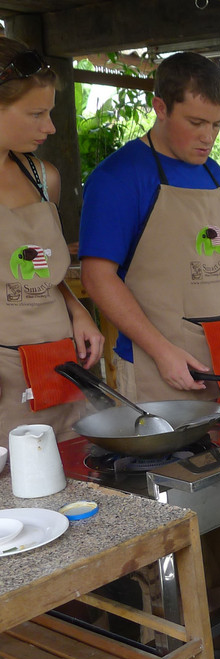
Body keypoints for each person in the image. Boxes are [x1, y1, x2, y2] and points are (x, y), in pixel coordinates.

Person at [80, 52, 220, 403]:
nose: (208, 136)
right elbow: (97, 278)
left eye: (216, 124)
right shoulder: (118, 177)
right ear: (161, 107)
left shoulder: (214, 173)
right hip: (158, 364)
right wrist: (161, 350)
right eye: (196, 122)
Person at [0, 41, 103, 447]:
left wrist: (77, 311)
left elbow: (42, 267)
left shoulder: (44, 177)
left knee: (76, 471)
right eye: (35, 114)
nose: (50, 127)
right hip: (5, 375)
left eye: (50, 112)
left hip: (58, 363)